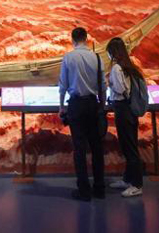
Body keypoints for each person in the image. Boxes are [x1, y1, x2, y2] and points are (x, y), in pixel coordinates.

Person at [58, 27, 106, 202]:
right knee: (96, 148)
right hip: (93, 104)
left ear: (73, 40)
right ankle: (99, 188)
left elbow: (63, 84)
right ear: (86, 39)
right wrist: (102, 105)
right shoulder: (97, 57)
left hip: (76, 105)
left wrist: (61, 106)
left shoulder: (69, 57)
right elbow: (103, 85)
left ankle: (84, 190)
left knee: (79, 149)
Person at [106, 37, 144, 197]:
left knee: (129, 147)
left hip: (122, 109)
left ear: (112, 52)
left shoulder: (116, 68)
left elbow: (121, 89)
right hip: (129, 110)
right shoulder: (129, 66)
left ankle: (137, 184)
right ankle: (128, 179)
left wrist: (110, 85)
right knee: (130, 144)